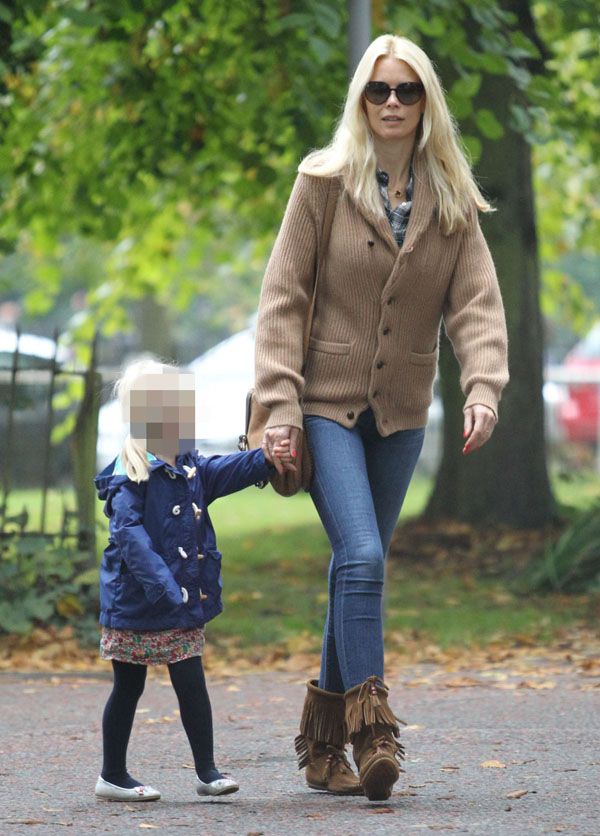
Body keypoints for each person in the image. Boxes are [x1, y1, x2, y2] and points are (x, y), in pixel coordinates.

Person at [254, 34, 509, 801]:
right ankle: (374, 735)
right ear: (360, 100)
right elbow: (282, 298)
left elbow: (477, 304)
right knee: (363, 557)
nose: (392, 103)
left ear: (426, 101)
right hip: (324, 405)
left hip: (401, 412)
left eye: (406, 91)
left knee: (351, 571)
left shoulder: (452, 198)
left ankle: (319, 748)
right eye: (378, 90)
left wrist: (485, 386)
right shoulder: (323, 181)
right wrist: (278, 406)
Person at [93, 357, 284, 802]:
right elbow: (129, 536)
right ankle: (112, 774)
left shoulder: (190, 466)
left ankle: (208, 770)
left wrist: (263, 460)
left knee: (191, 682)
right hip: (138, 603)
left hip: (179, 599)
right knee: (129, 686)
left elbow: (224, 471)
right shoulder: (131, 474)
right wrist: (165, 585)